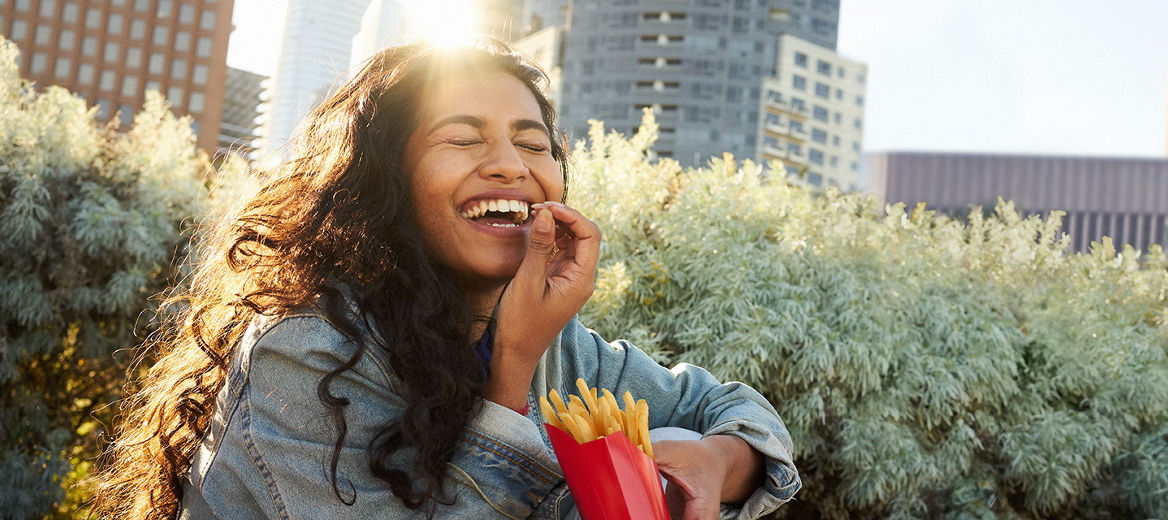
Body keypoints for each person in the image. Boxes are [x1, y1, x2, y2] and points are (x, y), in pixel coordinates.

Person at [91, 38, 800, 519]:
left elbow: (733, 410)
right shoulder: (303, 354)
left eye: (533, 144)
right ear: (384, 180)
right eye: (462, 139)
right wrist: (512, 368)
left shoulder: (566, 352)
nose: (508, 165)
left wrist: (715, 460)